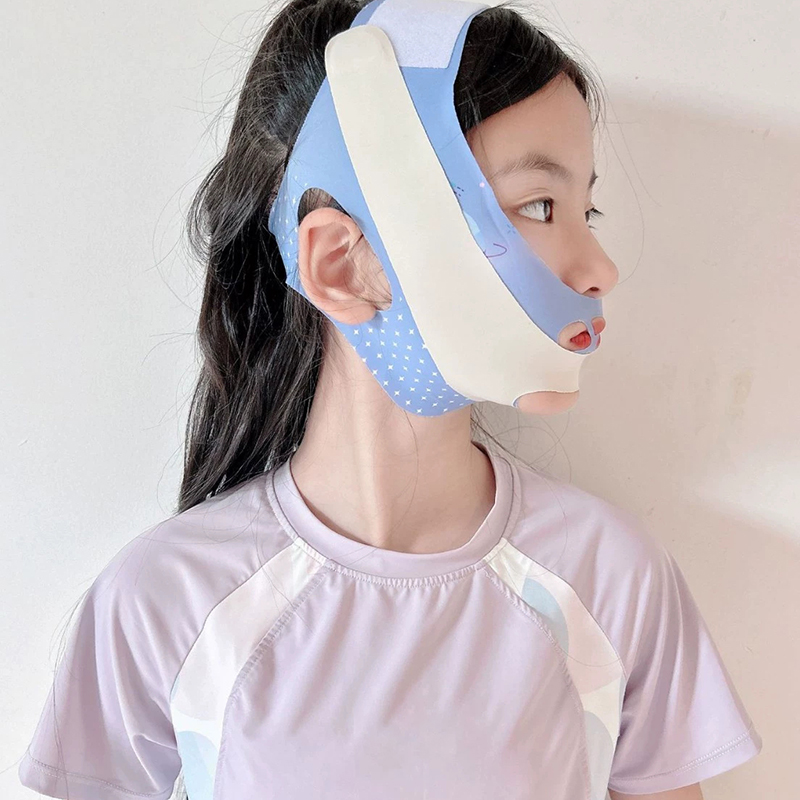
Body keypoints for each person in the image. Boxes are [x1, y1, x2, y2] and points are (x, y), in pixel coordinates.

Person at [18, 0, 762, 799]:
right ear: (341, 264)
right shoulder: (162, 599)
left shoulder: (615, 579)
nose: (600, 268)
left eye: (588, 209)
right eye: (540, 206)